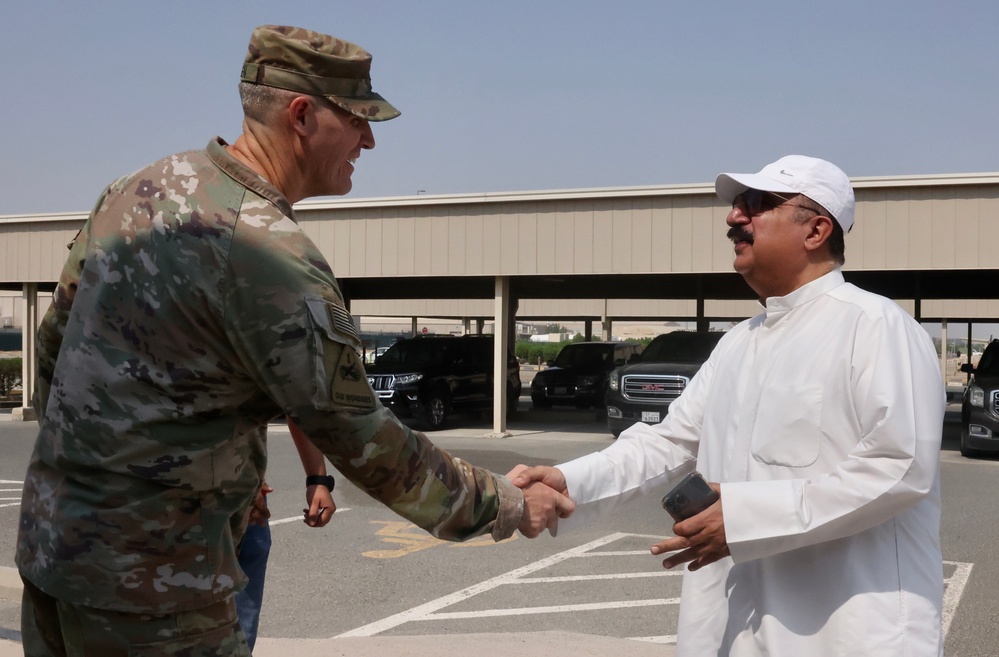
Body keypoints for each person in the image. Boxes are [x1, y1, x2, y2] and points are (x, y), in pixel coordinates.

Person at [16, 24, 571, 656]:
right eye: (359, 119)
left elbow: (57, 351)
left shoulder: (134, 191)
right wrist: (503, 504)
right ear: (302, 115)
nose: (368, 139)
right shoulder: (268, 253)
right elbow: (362, 438)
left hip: (54, 556)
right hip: (155, 596)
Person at [513, 155, 945, 657]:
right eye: (738, 205)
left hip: (848, 630)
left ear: (817, 230)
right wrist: (569, 483)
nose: (733, 218)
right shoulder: (739, 342)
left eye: (757, 204)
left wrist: (744, 519)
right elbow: (668, 442)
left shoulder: (875, 327)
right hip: (734, 627)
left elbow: (900, 467)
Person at [235, 421, 335, 650]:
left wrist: (317, 479)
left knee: (241, 626)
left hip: (248, 497)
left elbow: (295, 402)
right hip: (179, 503)